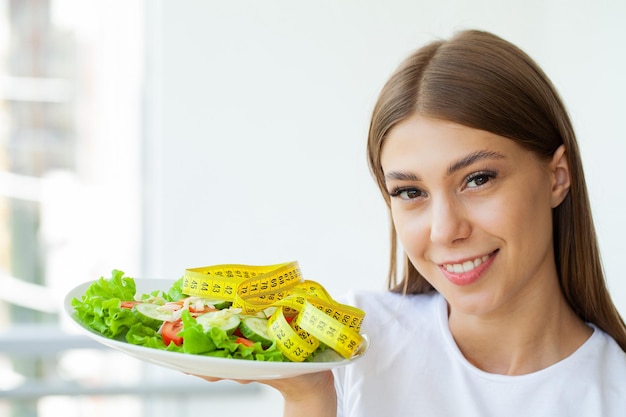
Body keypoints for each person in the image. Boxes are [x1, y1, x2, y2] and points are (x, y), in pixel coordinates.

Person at [199, 29, 626, 416]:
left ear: (557, 177)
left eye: (477, 180)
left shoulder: (614, 391)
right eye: (411, 192)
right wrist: (309, 396)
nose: (444, 230)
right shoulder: (351, 349)